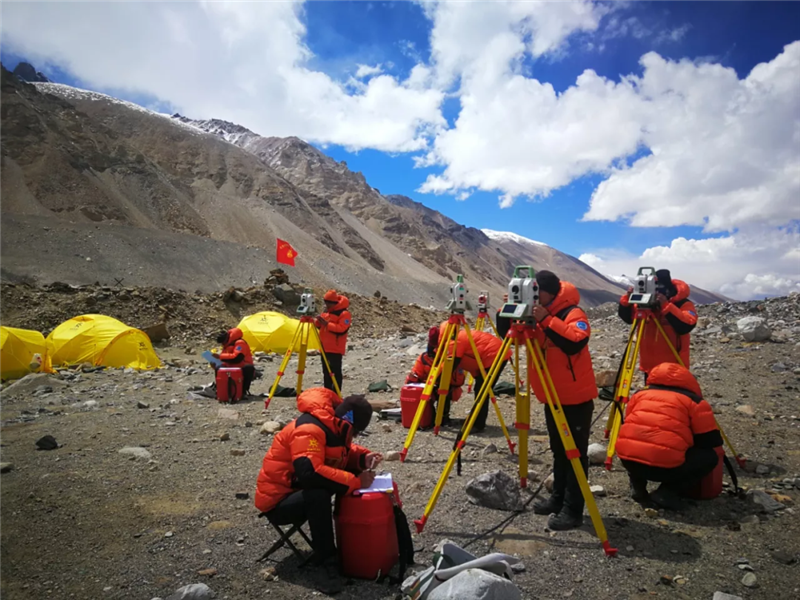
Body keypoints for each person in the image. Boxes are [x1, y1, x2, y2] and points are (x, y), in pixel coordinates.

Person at [255, 389, 381, 593]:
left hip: (296, 489)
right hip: (277, 502)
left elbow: (335, 454)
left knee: (327, 484)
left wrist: (361, 459)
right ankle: (326, 563)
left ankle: (339, 549)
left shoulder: (332, 423)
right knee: (319, 493)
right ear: (349, 423)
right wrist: (356, 481)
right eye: (356, 432)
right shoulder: (309, 429)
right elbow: (309, 472)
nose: (354, 436)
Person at [527, 270, 597, 531]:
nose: (535, 298)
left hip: (576, 399)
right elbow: (509, 335)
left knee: (575, 454)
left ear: (550, 292)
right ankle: (558, 499)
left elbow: (575, 343)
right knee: (559, 452)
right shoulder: (538, 313)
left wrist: (547, 320)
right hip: (553, 397)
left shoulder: (573, 314)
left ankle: (573, 510)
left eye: (538, 293)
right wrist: (509, 312)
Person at [616, 363, 722, 510]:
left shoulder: (639, 395)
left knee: (638, 443)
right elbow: (710, 441)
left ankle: (638, 487)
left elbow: (631, 425)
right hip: (666, 468)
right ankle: (666, 492)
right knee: (709, 457)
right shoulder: (695, 402)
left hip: (628, 461)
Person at [618, 269, 698, 383]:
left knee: (671, 399)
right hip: (649, 367)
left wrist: (666, 306)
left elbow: (685, 326)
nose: (655, 292)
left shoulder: (682, 304)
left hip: (673, 367)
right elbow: (627, 318)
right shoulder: (645, 304)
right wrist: (627, 300)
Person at [440, 322, 510, 431]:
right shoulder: (460, 336)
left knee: (482, 390)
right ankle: (475, 419)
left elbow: (453, 363)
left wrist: (441, 379)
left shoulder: (456, 341)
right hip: (493, 354)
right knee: (480, 388)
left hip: (495, 356)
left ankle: (478, 424)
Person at [406, 326, 465, 425]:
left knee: (444, 392)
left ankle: (443, 417)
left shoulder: (450, 358)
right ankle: (425, 416)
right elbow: (415, 375)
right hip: (428, 385)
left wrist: (442, 377)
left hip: (447, 387)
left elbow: (458, 380)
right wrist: (411, 381)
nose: (434, 352)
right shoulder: (424, 358)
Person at [315, 290, 351, 393]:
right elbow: (318, 326)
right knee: (326, 373)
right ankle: (327, 393)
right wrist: (318, 321)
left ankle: (336, 394)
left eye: (328, 302)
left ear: (334, 302)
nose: (326, 304)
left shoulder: (344, 314)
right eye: (325, 302)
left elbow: (342, 329)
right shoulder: (327, 312)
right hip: (324, 348)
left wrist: (327, 324)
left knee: (335, 373)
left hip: (335, 349)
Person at [212, 328, 255, 396]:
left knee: (249, 368)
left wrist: (220, 356)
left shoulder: (240, 343)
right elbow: (227, 359)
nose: (222, 344)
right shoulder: (227, 345)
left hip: (242, 366)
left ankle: (243, 391)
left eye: (222, 342)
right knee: (219, 367)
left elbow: (237, 358)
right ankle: (221, 390)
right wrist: (216, 363)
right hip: (230, 366)